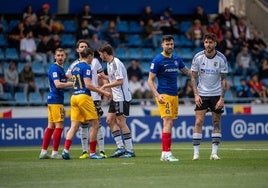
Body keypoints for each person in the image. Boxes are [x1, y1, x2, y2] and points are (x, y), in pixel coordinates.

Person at [147, 35, 191, 162]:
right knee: (168, 122)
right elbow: (150, 80)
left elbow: (187, 72)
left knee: (170, 123)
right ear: (162, 45)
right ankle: (167, 153)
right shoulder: (157, 60)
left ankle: (164, 154)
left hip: (174, 95)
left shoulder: (176, 59)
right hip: (163, 95)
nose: (170, 46)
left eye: (171, 44)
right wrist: (157, 94)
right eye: (167, 44)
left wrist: (199, 71)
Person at [61, 47, 110, 160]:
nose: (92, 60)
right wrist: (102, 91)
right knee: (95, 124)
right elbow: (88, 85)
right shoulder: (86, 67)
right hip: (84, 96)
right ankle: (92, 153)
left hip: (74, 97)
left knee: (74, 126)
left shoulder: (74, 67)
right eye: (92, 57)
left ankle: (65, 151)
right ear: (89, 56)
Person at [190, 33, 228, 160]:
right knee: (198, 122)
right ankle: (196, 153)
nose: (208, 45)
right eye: (206, 42)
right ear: (203, 43)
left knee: (216, 122)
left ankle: (214, 153)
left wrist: (222, 98)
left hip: (216, 94)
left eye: (210, 42)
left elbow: (224, 80)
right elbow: (193, 77)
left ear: (215, 44)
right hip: (202, 94)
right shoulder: (198, 57)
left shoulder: (221, 58)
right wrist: (196, 95)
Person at [98, 44, 135, 158]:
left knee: (121, 122)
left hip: (122, 98)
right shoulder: (109, 64)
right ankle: (120, 147)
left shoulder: (116, 63)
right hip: (116, 97)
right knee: (109, 120)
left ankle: (130, 150)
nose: (100, 57)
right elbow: (113, 78)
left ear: (105, 53)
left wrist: (105, 86)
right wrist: (104, 77)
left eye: (100, 54)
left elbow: (119, 81)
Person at [39, 48, 73, 159]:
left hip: (52, 100)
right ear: (54, 56)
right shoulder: (54, 68)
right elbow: (58, 84)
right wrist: (72, 84)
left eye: (62, 55)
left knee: (51, 126)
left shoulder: (60, 68)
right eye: (58, 55)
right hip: (56, 100)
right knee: (59, 126)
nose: (60, 57)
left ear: (65, 57)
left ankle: (44, 152)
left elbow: (64, 79)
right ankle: (54, 153)